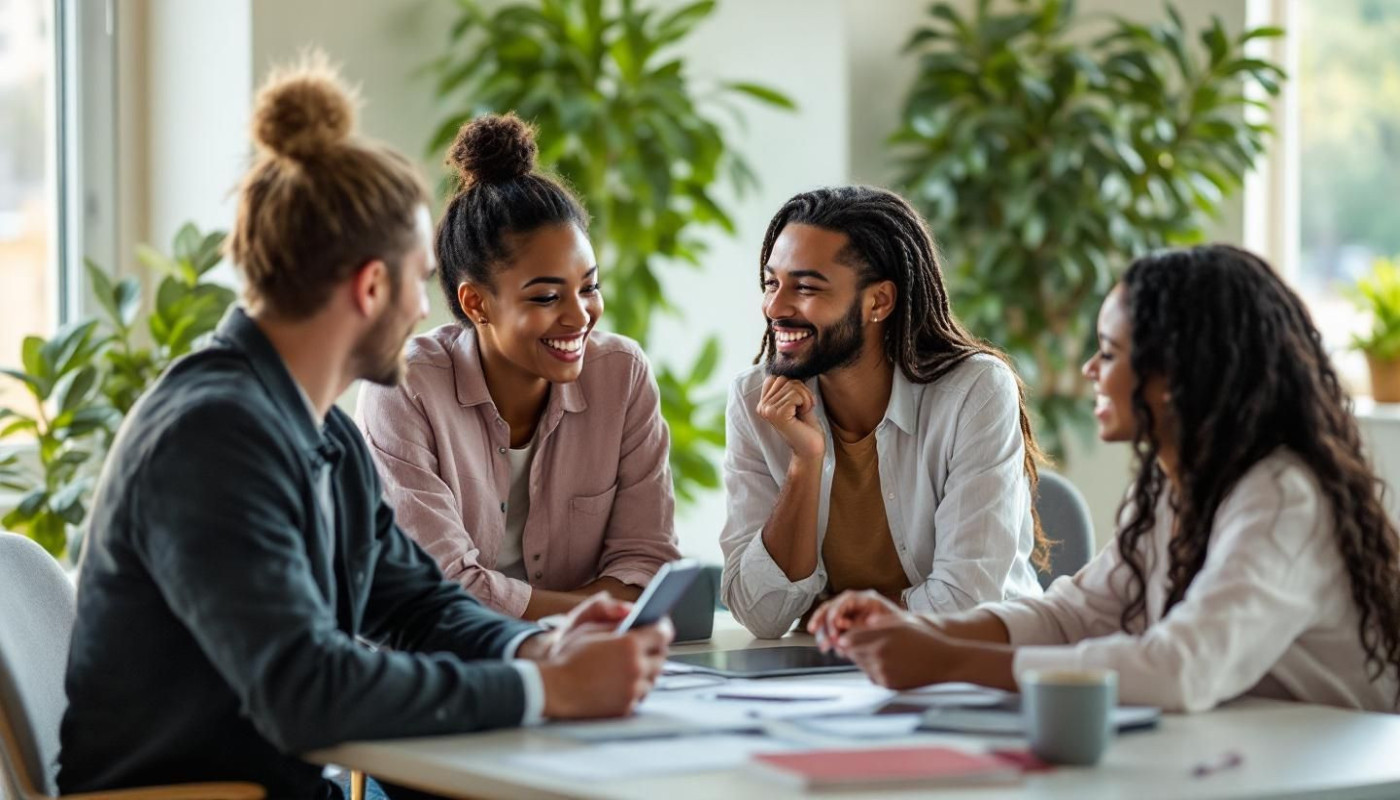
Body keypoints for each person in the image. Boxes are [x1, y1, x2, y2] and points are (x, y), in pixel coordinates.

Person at [58, 57, 671, 800]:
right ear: (371, 285)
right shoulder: (213, 437)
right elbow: (305, 689)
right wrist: (546, 691)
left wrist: (539, 645)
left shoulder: (318, 432)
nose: (425, 308)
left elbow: (414, 602)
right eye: (419, 279)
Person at [810, 244, 1400, 714]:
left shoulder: (1280, 498)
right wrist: (917, 629)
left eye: (1110, 354)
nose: (1092, 370)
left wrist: (946, 660)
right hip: (1239, 756)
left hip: (1330, 777)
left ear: (1174, 375)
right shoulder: (1180, 489)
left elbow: (1179, 669)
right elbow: (1072, 617)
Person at [357, 113, 680, 621]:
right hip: (446, 673)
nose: (580, 316)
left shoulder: (622, 374)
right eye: (548, 296)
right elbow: (439, 592)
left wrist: (559, 624)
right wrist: (587, 618)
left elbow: (648, 567)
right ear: (476, 303)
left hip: (590, 665)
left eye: (589, 287)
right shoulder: (405, 387)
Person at [720, 186, 1048, 639]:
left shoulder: (974, 392)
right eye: (772, 283)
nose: (774, 307)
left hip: (974, 666)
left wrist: (835, 615)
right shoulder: (756, 400)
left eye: (806, 287)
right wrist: (805, 463)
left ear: (879, 302)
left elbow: (966, 604)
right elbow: (761, 615)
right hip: (828, 676)